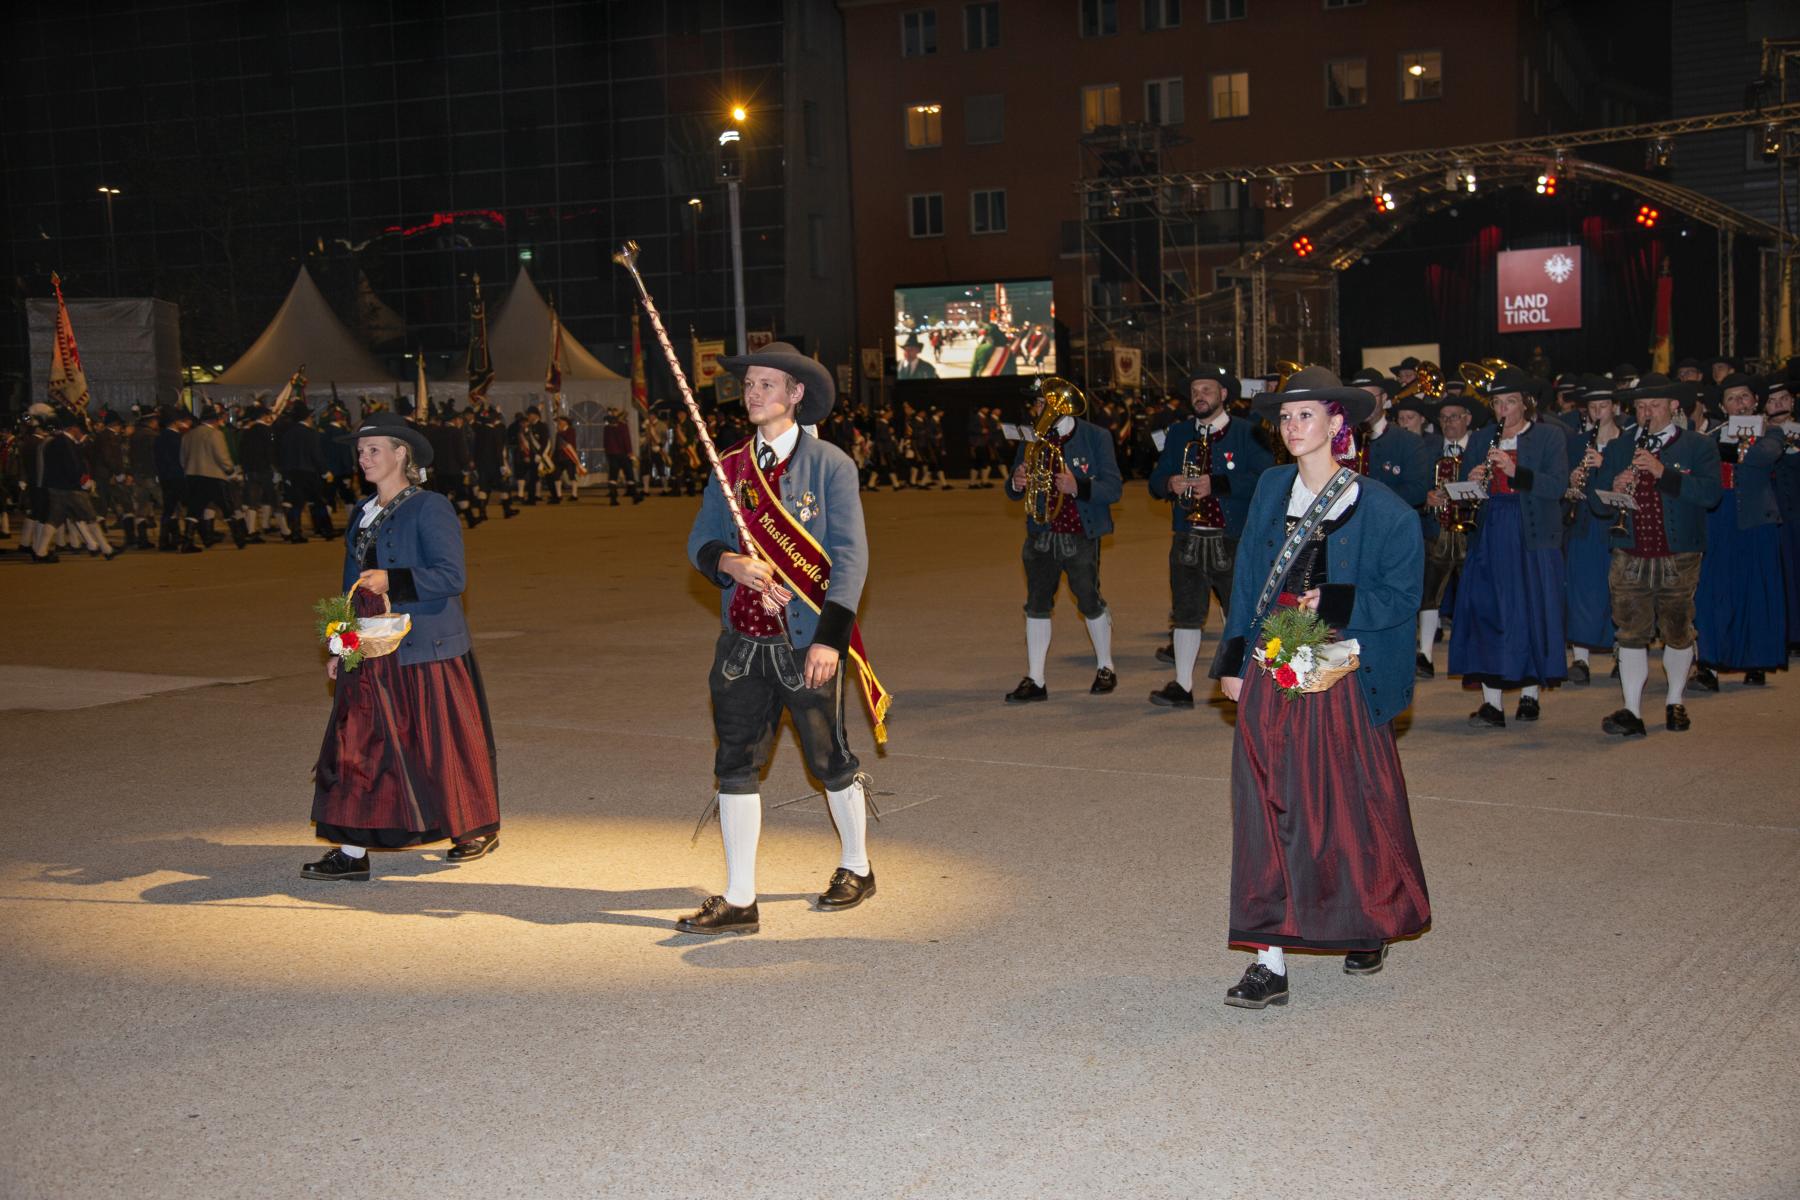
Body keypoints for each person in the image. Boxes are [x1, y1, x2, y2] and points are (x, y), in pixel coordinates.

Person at [1209, 367, 1429, 1010]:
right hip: (1272, 670)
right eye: (1285, 418)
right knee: (1264, 806)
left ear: (1340, 425)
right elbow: (1249, 574)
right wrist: (1232, 660)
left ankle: (1366, 920)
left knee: (1347, 807)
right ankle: (1268, 959)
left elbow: (1403, 596)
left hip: (1342, 679)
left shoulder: (1384, 508)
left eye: (1306, 416)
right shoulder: (1273, 488)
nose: (1292, 427)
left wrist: (1330, 598)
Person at [678, 342, 879, 935]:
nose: (754, 393)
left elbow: (850, 559)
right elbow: (700, 543)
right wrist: (730, 565)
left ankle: (857, 865)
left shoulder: (831, 466)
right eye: (750, 384)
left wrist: (829, 641)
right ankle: (740, 898)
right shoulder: (730, 465)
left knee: (828, 758)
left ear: (796, 395)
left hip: (805, 640)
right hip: (741, 643)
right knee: (735, 764)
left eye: (769, 384)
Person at [303, 411, 501, 881]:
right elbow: (350, 585)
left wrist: (393, 579)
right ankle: (351, 853)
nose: (364, 458)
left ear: (401, 454)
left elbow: (452, 577)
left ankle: (471, 828)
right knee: (355, 743)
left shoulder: (429, 507)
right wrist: (341, 643)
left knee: (441, 744)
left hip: (426, 645)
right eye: (360, 452)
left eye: (373, 450)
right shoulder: (361, 511)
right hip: (370, 646)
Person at [1585, 374, 1722, 736]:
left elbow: (1711, 495)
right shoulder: (1619, 447)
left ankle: (1675, 701)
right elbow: (1599, 507)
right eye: (1641, 406)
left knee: (1677, 629)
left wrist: (1662, 472)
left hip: (1678, 553)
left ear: (1674, 406)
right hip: (1629, 552)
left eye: (1655, 405)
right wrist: (1610, 486)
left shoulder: (1697, 445)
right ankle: (1631, 709)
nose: (1646, 413)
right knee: (1630, 630)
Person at [1146, 364, 1273, 707]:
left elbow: (1267, 478)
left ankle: (1246, 680)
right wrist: (1168, 484)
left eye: (1207, 390)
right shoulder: (1178, 433)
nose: (1199, 397)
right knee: (1186, 612)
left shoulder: (1248, 433)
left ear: (1224, 395)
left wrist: (1217, 484)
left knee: (1240, 611)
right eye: (1195, 391)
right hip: (1188, 535)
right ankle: (1182, 685)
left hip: (1232, 538)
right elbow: (1155, 480)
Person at [1449, 367, 1570, 727]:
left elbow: (1556, 486)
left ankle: (1530, 695)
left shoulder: (1549, 437)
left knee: (1530, 610)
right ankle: (1492, 703)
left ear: (1525, 404)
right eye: (1498, 403)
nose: (1503, 410)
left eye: (1511, 402)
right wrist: (1472, 481)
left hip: (1531, 532)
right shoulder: (1483, 437)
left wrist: (1516, 471)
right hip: (1491, 531)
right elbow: (1471, 493)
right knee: (1488, 610)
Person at [1003, 378, 1124, 702]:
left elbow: (1113, 487)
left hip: (1080, 534)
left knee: (1088, 599)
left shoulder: (1095, 436)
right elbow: (1012, 489)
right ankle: (1036, 678)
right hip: (1041, 533)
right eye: (1038, 404)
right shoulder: (1032, 438)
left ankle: (1105, 665)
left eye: (1044, 404)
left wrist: (1078, 487)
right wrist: (1017, 482)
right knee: (1037, 604)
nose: (1039, 409)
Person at [1692, 373, 1787, 690]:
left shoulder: (1771, 432)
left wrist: (1728, 451)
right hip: (1719, 519)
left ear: (1756, 401)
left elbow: (1762, 457)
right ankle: (1709, 664)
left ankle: (1755, 659)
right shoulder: (1710, 436)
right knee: (1714, 592)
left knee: (1756, 591)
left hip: (1756, 520)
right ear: (1722, 405)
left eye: (1745, 396)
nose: (1740, 403)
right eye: (1732, 398)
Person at [1405, 390, 1486, 679]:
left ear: (1468, 419)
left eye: (1455, 417)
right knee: (1430, 593)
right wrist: (1427, 498)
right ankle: (1425, 654)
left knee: (1475, 593)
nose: (1449, 423)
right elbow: (1417, 485)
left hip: (1469, 530)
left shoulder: (1480, 448)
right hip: (1436, 530)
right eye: (1443, 418)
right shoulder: (1428, 449)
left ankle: (1477, 654)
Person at [1563, 378, 1628, 683]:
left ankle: (1622, 652)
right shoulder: (1578, 443)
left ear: (1615, 408)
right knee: (1581, 588)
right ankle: (1580, 659)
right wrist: (1572, 481)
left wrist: (1604, 465)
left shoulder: (1628, 442)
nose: (1598, 411)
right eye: (1592, 407)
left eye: (1603, 406)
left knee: (1618, 590)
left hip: (1616, 523)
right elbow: (1563, 484)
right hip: (1584, 523)